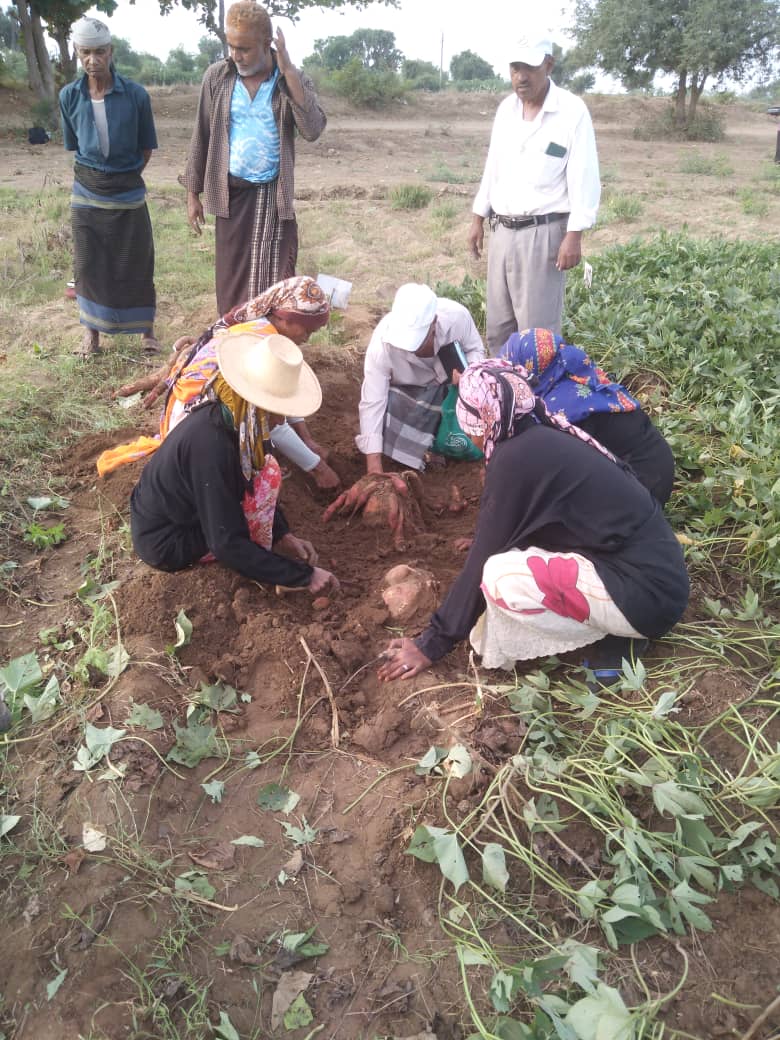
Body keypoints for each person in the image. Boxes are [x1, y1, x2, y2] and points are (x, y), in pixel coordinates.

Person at [378, 359, 688, 685]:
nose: (468, 434)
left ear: (482, 420)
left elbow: (483, 560)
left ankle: (619, 631)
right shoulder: (538, 434)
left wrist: (431, 644)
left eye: (467, 422)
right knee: (507, 561)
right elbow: (546, 522)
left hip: (648, 596)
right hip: (658, 575)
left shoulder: (514, 458)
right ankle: (617, 624)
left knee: (499, 576)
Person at [131, 333, 338, 595]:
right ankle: (263, 568)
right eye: (280, 409)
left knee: (266, 471)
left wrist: (283, 534)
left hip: (185, 515)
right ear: (257, 406)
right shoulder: (211, 447)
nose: (281, 419)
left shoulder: (233, 420)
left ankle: (267, 551)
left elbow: (242, 484)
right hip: (167, 542)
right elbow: (225, 542)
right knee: (268, 478)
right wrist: (303, 577)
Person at [98, 275, 340, 489]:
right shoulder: (257, 341)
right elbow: (271, 421)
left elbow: (283, 390)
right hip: (195, 420)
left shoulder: (271, 333)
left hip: (211, 410)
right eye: (307, 331)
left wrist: (307, 440)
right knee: (249, 468)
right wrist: (316, 467)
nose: (308, 339)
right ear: (286, 318)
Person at [184, 0, 326, 314]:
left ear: (267, 44)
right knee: (231, 279)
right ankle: (234, 341)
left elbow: (313, 128)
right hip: (231, 195)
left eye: (245, 48)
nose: (236, 55)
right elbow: (202, 134)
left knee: (272, 283)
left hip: (272, 198)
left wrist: (288, 71)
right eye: (232, 46)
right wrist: (192, 193)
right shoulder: (218, 78)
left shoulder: (289, 80)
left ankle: (266, 347)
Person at [467, 34, 600, 350]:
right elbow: (493, 167)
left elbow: (585, 176)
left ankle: (539, 399)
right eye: (515, 68)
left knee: (538, 336)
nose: (520, 76)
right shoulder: (505, 111)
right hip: (502, 230)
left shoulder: (572, 112)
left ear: (549, 65)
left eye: (529, 67)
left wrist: (575, 234)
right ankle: (506, 395)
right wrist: (477, 217)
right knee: (499, 329)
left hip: (544, 234)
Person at [59, 17, 159, 358]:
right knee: (88, 263)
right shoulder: (69, 97)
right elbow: (75, 146)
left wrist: (123, 177)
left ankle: (146, 332)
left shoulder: (136, 95)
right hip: (86, 191)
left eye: (99, 52)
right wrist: (101, 180)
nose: (92, 60)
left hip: (128, 192)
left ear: (110, 51)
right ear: (77, 52)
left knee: (137, 259)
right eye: (85, 52)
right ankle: (92, 335)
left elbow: (146, 148)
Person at [501, 328, 675, 504]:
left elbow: (555, 470)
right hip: (654, 471)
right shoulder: (576, 376)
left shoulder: (563, 408)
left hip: (642, 491)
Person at [357, 283, 485, 472]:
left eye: (419, 342)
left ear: (434, 322)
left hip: (451, 386)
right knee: (390, 406)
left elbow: (475, 349)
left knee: (477, 398)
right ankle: (423, 450)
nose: (415, 350)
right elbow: (373, 401)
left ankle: (448, 445)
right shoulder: (382, 346)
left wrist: (469, 374)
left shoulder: (457, 317)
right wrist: (374, 468)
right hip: (410, 396)